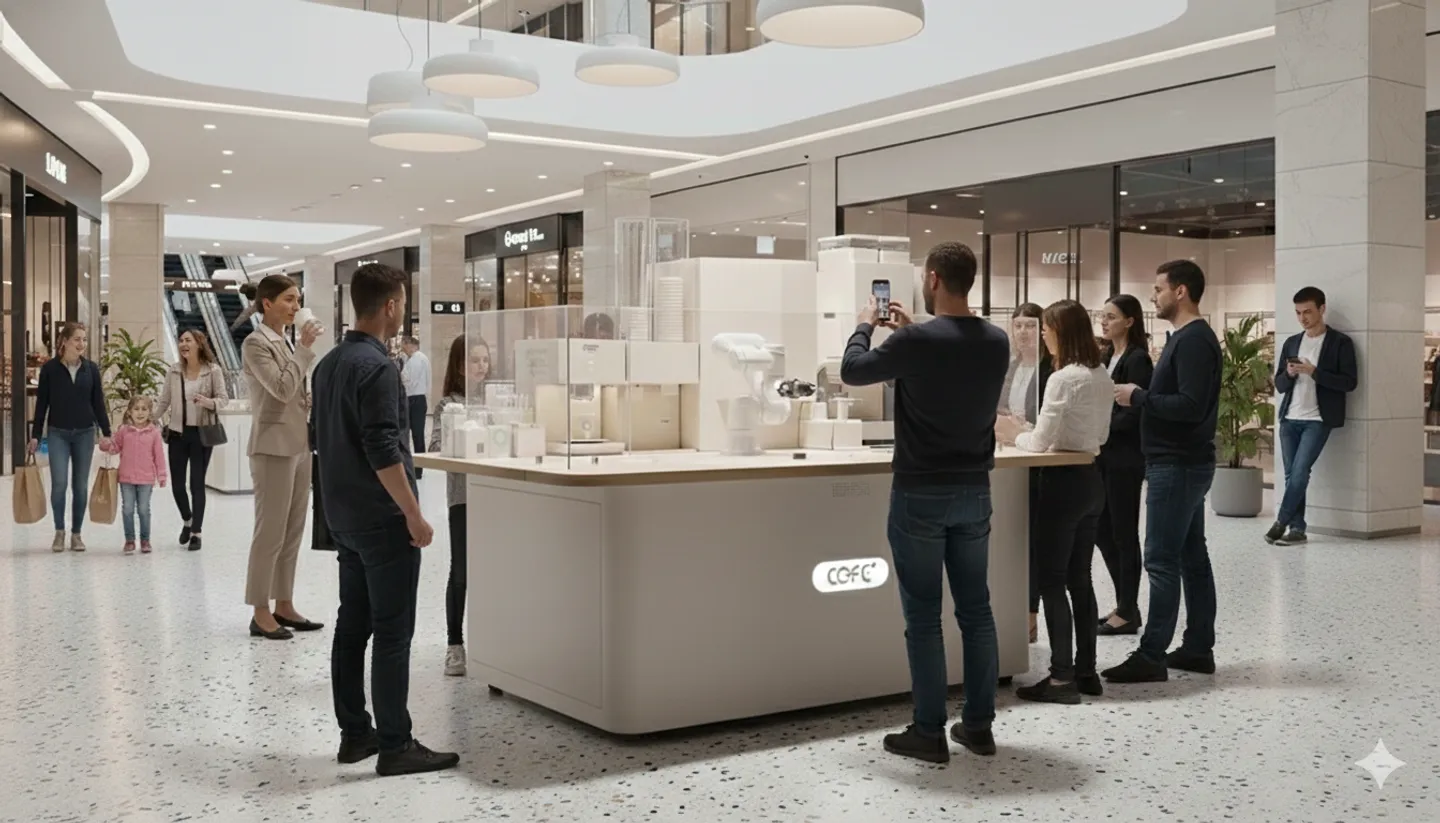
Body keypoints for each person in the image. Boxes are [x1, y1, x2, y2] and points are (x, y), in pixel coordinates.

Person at [841, 242, 1010, 764]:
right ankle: (978, 726)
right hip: (974, 489)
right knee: (976, 611)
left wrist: (865, 324)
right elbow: (950, 359)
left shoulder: (914, 341)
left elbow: (853, 370)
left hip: (920, 491)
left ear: (933, 278)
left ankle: (929, 730)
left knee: (923, 616)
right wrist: (912, 332)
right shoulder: (996, 340)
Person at [315, 262, 459, 777]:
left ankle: (355, 734)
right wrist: (413, 514)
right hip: (381, 518)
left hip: (343, 516)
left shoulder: (329, 364)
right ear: (391, 306)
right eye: (402, 303)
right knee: (393, 633)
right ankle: (396, 743)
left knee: (352, 626)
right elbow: (382, 449)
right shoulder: (377, 367)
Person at [1105, 260, 1222, 683]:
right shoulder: (1187, 339)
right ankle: (1197, 648)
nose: (1153, 296)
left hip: (1177, 464)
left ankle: (1152, 654)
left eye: (1158, 289)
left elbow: (1189, 406)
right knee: (1191, 557)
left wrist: (1138, 397)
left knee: (1161, 560)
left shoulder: (1193, 341)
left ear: (1181, 291)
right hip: (1180, 462)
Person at [998, 300, 1114, 704]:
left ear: (1059, 333)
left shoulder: (1063, 378)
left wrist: (1013, 434)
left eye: (1045, 330)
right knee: (1080, 579)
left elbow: (1039, 442)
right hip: (1090, 480)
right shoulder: (1100, 375)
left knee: (1051, 580)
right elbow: (1099, 435)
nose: (1042, 337)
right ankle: (1086, 671)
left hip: (1061, 485)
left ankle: (1061, 677)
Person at [242, 274, 325, 640]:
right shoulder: (255, 343)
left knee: (292, 530)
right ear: (267, 303)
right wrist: (305, 349)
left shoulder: (286, 341)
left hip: (299, 442)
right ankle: (260, 610)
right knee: (270, 532)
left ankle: (284, 603)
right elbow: (280, 388)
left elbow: (296, 392)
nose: (295, 306)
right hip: (272, 445)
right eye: (289, 299)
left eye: (298, 300)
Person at [1267, 287, 1357, 547]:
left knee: (1299, 472)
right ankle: (1297, 529)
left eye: (1307, 311)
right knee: (1290, 476)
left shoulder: (1340, 343)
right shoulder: (1292, 343)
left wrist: (1314, 371)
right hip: (1289, 418)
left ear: (1322, 309)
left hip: (1317, 420)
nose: (1302, 318)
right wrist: (1290, 374)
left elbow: (1349, 382)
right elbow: (1279, 385)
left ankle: (1281, 521)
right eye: (1298, 313)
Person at [427, 335, 491, 676]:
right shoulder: (448, 405)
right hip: (464, 496)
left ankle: (494, 642)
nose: (481, 366)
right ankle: (455, 645)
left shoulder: (496, 399)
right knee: (461, 571)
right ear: (459, 366)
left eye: (484, 359)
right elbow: (436, 446)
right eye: (474, 360)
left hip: (496, 495)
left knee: (495, 569)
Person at [1095, 295, 1154, 636]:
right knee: (1102, 531)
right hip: (1103, 455)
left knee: (1123, 533)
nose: (1104, 322)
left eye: (1111, 316)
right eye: (1102, 316)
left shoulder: (1137, 359)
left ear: (1130, 321)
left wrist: (1101, 428)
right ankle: (1124, 604)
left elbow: (1135, 413)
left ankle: (1128, 610)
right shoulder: (1106, 356)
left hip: (1124, 459)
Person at [29, 322, 112, 552]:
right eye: (77, 339)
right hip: (58, 433)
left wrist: (107, 432)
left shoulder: (91, 369)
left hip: (85, 433)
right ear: (64, 341)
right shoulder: (50, 369)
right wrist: (35, 435)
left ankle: (76, 534)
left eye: (84, 339)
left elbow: (98, 403)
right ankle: (59, 532)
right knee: (59, 484)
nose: (81, 343)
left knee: (80, 486)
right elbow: (42, 405)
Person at [999, 303, 1051, 644]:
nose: (1023, 333)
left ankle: (1031, 614)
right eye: (1018, 326)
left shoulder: (1049, 368)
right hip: (1009, 453)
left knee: (1033, 538)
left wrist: (1025, 426)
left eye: (1030, 326)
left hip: (1038, 456)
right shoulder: (1011, 367)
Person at [154, 329, 229, 551]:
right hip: (177, 433)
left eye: (188, 340)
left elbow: (223, 399)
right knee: (178, 486)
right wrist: (150, 419)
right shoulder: (174, 371)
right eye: (181, 341)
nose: (183, 344)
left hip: (202, 434)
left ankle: (196, 532)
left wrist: (208, 402)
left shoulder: (213, 371)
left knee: (197, 484)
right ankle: (187, 520)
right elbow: (164, 400)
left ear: (199, 344)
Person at [101, 396, 167, 554]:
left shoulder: (154, 433)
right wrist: (106, 446)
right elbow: (116, 447)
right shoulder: (124, 431)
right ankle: (129, 540)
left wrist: (162, 475)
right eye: (136, 409)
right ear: (129, 412)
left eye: (144, 409)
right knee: (127, 509)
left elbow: (159, 456)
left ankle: (145, 540)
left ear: (150, 412)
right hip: (126, 478)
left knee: (144, 509)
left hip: (146, 478)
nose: (140, 413)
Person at [400, 336, 430, 478]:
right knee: (416, 435)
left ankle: (417, 469)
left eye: (403, 345)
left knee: (415, 435)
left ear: (410, 345)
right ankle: (416, 468)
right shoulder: (417, 359)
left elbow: (408, 380)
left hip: (414, 399)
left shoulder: (417, 359)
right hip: (417, 398)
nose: (403, 349)